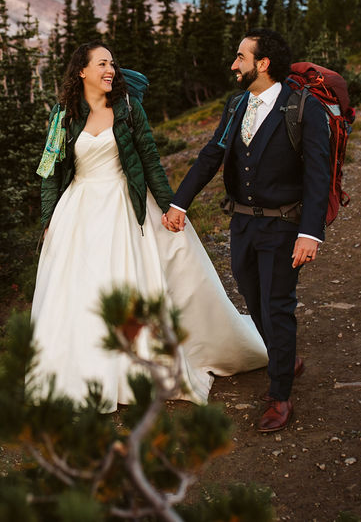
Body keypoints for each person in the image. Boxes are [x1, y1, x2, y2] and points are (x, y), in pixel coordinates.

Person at [29, 41, 267, 412]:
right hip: (77, 210)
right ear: (82, 71)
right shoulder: (63, 115)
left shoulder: (127, 108)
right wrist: (47, 221)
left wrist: (174, 206)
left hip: (124, 205)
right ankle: (85, 370)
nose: (110, 69)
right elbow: (50, 172)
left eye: (113, 62)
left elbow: (151, 160)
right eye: (102, 63)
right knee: (79, 290)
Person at [163, 28, 331, 432]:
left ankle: (280, 394)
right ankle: (283, 355)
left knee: (277, 305)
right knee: (252, 298)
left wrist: (311, 233)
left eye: (240, 57)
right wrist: (178, 201)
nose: (233, 64)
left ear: (263, 63)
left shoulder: (302, 108)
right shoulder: (237, 105)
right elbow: (211, 155)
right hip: (242, 223)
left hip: (285, 225)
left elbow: (318, 174)